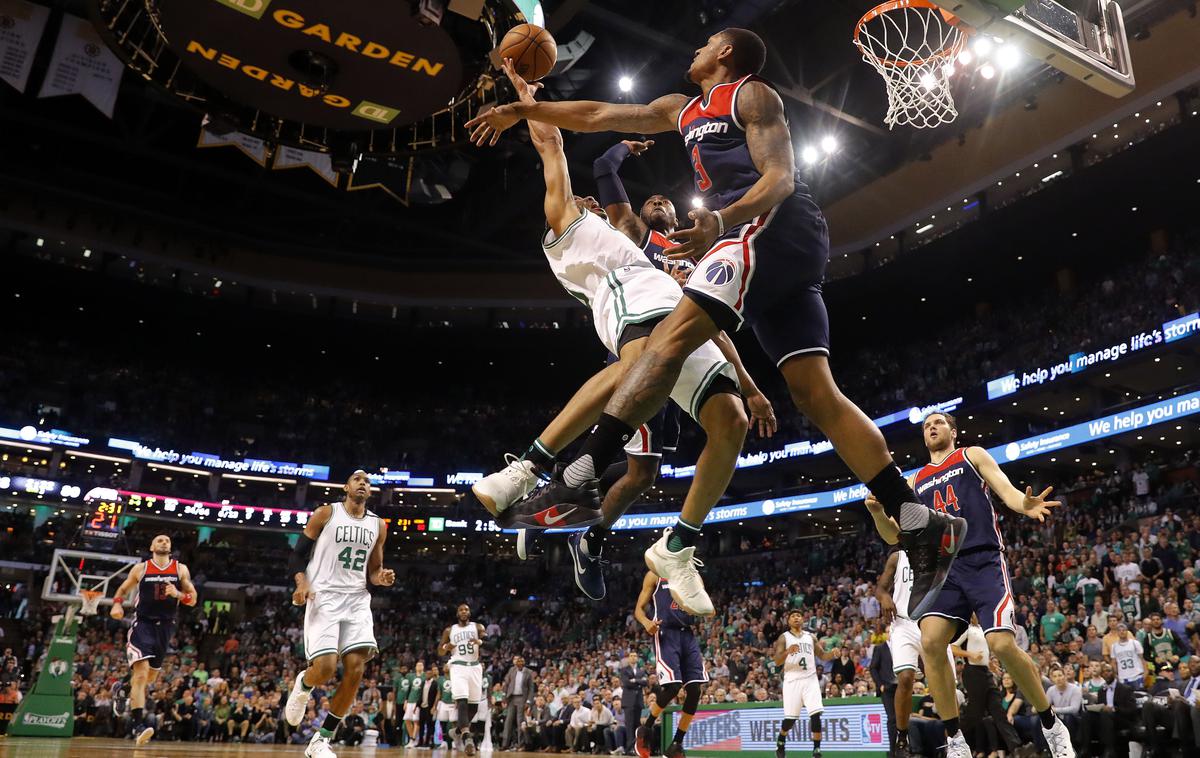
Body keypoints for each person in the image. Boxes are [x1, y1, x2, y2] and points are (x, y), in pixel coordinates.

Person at [467, 28, 964, 618]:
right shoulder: (680, 110)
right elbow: (597, 114)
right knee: (816, 394)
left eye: (705, 42)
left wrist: (722, 220)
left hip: (770, 225)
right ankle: (916, 519)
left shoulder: (753, 97)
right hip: (768, 250)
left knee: (666, 343)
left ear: (725, 53)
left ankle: (574, 472)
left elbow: (779, 177)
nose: (695, 48)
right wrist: (520, 106)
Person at [477, 59, 769, 619]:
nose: (590, 200)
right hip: (628, 304)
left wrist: (748, 383)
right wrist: (524, 98)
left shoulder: (635, 240)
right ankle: (530, 471)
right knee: (633, 373)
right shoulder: (568, 223)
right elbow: (552, 147)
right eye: (584, 199)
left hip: (669, 303)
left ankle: (677, 545)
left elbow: (710, 315)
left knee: (728, 419)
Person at [866, 412, 1073, 758]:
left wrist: (1026, 505)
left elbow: (1006, 490)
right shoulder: (915, 481)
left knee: (1002, 645)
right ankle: (955, 739)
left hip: (983, 559)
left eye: (938, 423)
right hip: (943, 569)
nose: (931, 428)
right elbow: (897, 536)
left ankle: (1051, 724)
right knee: (931, 642)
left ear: (953, 431)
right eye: (926, 426)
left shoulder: (971, 455)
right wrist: (876, 514)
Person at [282, 469, 396, 758]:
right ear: (347, 486)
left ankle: (321, 740)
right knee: (326, 669)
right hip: (325, 596)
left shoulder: (378, 525)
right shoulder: (325, 513)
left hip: (357, 598)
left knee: (356, 669)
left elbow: (373, 570)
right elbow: (297, 554)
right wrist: (301, 582)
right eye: (357, 479)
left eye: (367, 482)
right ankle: (305, 683)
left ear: (370, 492)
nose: (363, 483)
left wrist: (381, 577)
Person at [109, 533, 198, 746]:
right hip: (143, 625)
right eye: (159, 539)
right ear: (151, 546)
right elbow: (122, 589)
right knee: (140, 675)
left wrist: (178, 594)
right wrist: (117, 604)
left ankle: (123, 688)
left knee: (149, 679)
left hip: (165, 627)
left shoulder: (180, 569)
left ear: (171, 546)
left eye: (167, 540)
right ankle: (137, 726)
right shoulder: (141, 569)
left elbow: (192, 599)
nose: (164, 542)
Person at [876, 548, 956, 758]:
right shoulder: (897, 556)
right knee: (905, 678)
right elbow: (881, 588)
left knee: (948, 686)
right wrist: (884, 598)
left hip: (935, 620)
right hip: (903, 623)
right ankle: (902, 737)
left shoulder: (941, 551)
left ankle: (955, 741)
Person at [634, 569, 708, 758]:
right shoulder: (655, 574)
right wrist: (645, 622)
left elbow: (703, 603)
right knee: (673, 687)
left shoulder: (693, 574)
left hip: (688, 633)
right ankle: (645, 729)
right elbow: (639, 609)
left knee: (694, 690)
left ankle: (676, 744)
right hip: (666, 632)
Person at [772, 609, 834, 758]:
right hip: (792, 680)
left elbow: (823, 655)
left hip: (810, 679)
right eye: (792, 616)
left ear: (803, 620)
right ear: (788, 622)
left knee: (816, 714)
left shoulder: (810, 637)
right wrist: (787, 652)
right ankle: (781, 739)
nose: (796, 618)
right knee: (790, 720)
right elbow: (777, 661)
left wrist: (833, 654)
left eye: (799, 616)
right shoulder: (784, 637)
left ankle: (816, 750)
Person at [439, 603, 487, 754]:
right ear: (457, 614)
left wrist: (480, 642)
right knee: (462, 702)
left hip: (475, 666)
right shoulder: (449, 630)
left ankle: (458, 731)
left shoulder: (478, 627)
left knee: (474, 706)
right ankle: (468, 739)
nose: (464, 611)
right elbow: (440, 651)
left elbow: (492, 644)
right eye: (461, 610)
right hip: (458, 666)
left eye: (466, 609)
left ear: (470, 612)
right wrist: (446, 648)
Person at [1082, 663, 1137, 758]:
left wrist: (1114, 709)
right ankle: (1085, 749)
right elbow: (1101, 707)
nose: (1106, 673)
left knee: (1105, 713)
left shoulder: (1125, 689)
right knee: (1087, 715)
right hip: (1105, 718)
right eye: (1103, 672)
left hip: (1121, 719)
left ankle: (1109, 749)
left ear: (1114, 673)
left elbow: (1132, 710)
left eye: (1108, 671)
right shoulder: (1101, 691)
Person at [503, 655, 535, 750]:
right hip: (512, 697)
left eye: (521, 662)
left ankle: (520, 744)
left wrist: (529, 701)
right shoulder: (511, 670)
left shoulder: (528, 672)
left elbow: (531, 688)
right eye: (517, 662)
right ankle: (505, 744)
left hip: (522, 698)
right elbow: (506, 684)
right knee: (508, 721)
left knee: (520, 721)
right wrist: (504, 697)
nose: (519, 663)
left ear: (523, 663)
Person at [619, 651, 648, 755]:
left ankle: (636, 748)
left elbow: (645, 682)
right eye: (631, 656)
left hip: (638, 701)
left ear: (637, 658)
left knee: (637, 726)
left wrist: (635, 680)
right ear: (628, 658)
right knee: (629, 725)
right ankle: (629, 748)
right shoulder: (624, 670)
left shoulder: (641, 670)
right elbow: (626, 683)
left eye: (635, 656)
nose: (633, 657)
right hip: (628, 701)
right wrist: (639, 682)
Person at [1108, 623, 1145, 688]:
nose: (1122, 632)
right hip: (1123, 677)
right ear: (1117, 632)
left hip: (1136, 676)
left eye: (1123, 630)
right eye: (1119, 630)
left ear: (1127, 632)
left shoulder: (1135, 643)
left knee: (1139, 696)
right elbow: (1113, 663)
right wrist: (1116, 675)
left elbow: (1142, 659)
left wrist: (1145, 673)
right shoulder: (1114, 646)